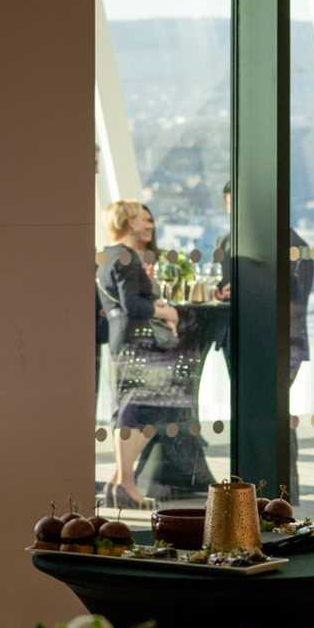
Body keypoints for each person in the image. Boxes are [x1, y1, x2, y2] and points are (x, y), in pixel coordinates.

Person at [214, 181, 314, 496]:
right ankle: (253, 485)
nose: (234, 212)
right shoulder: (228, 240)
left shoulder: (293, 244)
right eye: (230, 205)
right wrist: (223, 291)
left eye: (238, 205)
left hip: (281, 342)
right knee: (251, 411)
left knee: (273, 410)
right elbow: (224, 286)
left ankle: (282, 487)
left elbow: (295, 301)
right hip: (239, 338)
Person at [97, 199, 179, 508]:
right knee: (144, 410)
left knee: (129, 410)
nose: (148, 224)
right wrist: (165, 310)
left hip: (122, 340)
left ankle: (120, 480)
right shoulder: (127, 257)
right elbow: (134, 306)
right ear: (129, 222)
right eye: (141, 220)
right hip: (137, 340)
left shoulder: (107, 255)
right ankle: (126, 482)